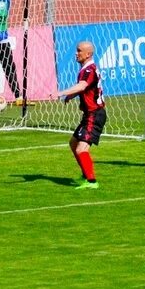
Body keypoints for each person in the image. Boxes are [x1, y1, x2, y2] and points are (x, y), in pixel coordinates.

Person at [53, 41, 105, 190]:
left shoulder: (88, 70)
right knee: (73, 143)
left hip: (94, 114)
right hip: (90, 114)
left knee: (81, 149)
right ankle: (85, 174)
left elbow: (82, 86)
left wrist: (61, 92)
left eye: (79, 50)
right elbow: (84, 89)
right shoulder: (86, 69)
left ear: (88, 54)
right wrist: (72, 96)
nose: (76, 53)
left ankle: (92, 182)